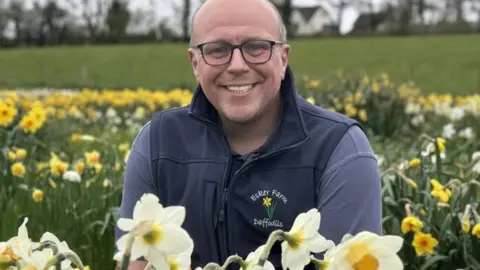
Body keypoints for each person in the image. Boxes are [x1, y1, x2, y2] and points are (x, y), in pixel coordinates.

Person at [115, 0, 382, 269]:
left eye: (256, 47)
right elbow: (134, 262)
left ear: (283, 58)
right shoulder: (158, 142)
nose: (238, 65)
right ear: (195, 62)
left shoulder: (339, 149)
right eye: (217, 50)